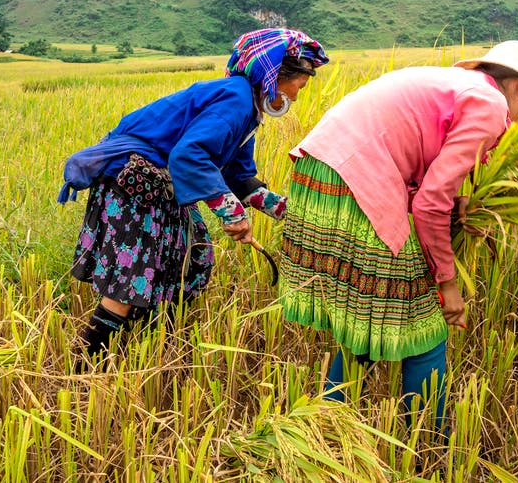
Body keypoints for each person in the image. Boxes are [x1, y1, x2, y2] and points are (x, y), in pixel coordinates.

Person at [278, 40, 518, 426]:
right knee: (424, 324)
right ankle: (428, 442)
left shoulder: (458, 85)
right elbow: (427, 205)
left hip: (322, 176)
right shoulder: (490, 105)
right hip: (355, 183)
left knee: (375, 315)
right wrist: (448, 283)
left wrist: (453, 198)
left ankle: (320, 428)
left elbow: (419, 159)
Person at [58, 28, 329, 365]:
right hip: (134, 182)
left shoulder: (249, 111)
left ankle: (144, 342)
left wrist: (285, 210)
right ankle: (84, 363)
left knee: (192, 257)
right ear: (275, 76)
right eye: (298, 86)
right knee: (132, 278)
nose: (297, 96)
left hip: (160, 184)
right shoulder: (236, 99)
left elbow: (238, 175)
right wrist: (230, 212)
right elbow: (189, 155)